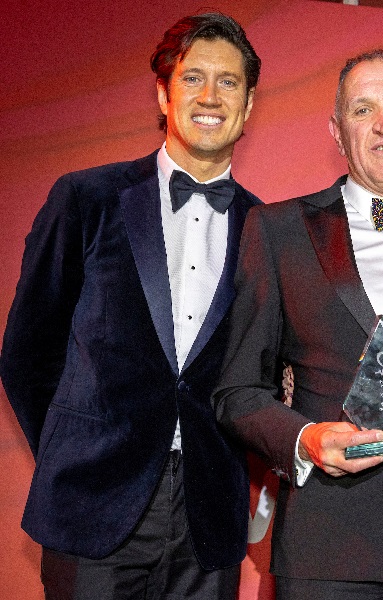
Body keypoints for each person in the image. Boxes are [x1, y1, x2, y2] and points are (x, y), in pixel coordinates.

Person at [213, 50, 383, 600]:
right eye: (363, 110)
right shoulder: (279, 231)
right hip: (329, 544)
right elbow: (237, 392)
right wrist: (306, 438)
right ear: (337, 131)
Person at [0, 13, 262, 599]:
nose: (210, 96)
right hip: (91, 505)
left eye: (229, 82)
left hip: (208, 513)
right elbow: (26, 351)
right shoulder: (85, 197)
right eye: (193, 78)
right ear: (163, 96)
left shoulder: (266, 228)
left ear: (248, 106)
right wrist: (77, 453)